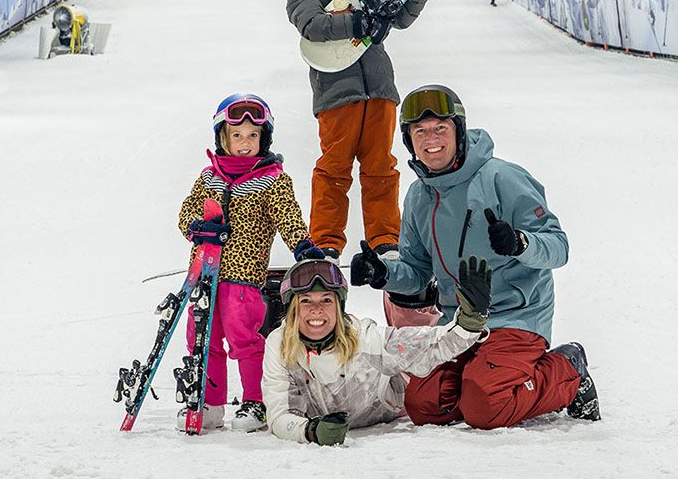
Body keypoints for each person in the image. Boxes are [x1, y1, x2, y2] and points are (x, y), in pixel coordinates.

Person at [350, 84, 601, 429]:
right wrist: (383, 273)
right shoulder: (419, 196)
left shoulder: (502, 177)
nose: (431, 138)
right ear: (409, 141)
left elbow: (558, 248)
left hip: (515, 316)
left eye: (441, 128)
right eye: (419, 131)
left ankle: (568, 369)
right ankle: (480, 379)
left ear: (459, 131)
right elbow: (418, 270)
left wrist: (520, 243)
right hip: (458, 323)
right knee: (423, 405)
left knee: (486, 408)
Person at [284, 0, 443, 326]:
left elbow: (400, 17)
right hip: (337, 95)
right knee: (334, 168)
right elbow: (313, 26)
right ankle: (326, 241)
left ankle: (385, 238)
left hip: (380, 90)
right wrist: (358, 20)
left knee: (381, 167)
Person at [177, 93, 324, 433]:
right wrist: (196, 227)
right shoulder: (208, 177)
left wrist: (302, 245)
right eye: (237, 135)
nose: (245, 143)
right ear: (223, 138)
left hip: (243, 280)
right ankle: (209, 404)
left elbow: (288, 216)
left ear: (264, 138)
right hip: (204, 275)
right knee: (202, 337)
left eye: (253, 136)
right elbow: (187, 211)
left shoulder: (271, 179)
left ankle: (255, 402)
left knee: (244, 339)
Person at [261, 255, 492, 445]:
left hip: (390, 404)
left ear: (339, 306)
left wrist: (468, 324)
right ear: (292, 308)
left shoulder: (364, 338)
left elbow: (428, 344)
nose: (317, 310)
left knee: (427, 398)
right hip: (320, 419)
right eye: (305, 301)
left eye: (326, 300)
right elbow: (279, 417)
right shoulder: (279, 346)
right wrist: (310, 431)